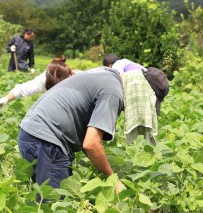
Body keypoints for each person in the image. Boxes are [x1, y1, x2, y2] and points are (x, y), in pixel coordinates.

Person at [16, 65, 169, 195]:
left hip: (34, 134)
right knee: (52, 207)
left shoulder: (107, 75)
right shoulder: (112, 92)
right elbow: (91, 144)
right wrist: (113, 180)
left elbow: (87, 138)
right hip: (45, 141)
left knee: (49, 201)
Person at [0, 55, 76, 110]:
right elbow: (22, 90)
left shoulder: (79, 80)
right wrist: (5, 99)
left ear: (68, 77)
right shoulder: (45, 79)